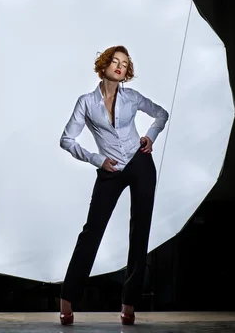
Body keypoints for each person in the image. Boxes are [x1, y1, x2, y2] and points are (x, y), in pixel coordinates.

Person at [58, 45, 169, 326]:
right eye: (115, 61)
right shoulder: (86, 102)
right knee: (92, 231)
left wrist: (150, 137)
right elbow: (67, 140)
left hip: (141, 165)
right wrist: (97, 159)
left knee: (140, 231)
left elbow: (161, 114)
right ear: (104, 65)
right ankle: (67, 299)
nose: (120, 66)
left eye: (125, 63)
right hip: (110, 170)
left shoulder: (132, 97)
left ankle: (129, 303)